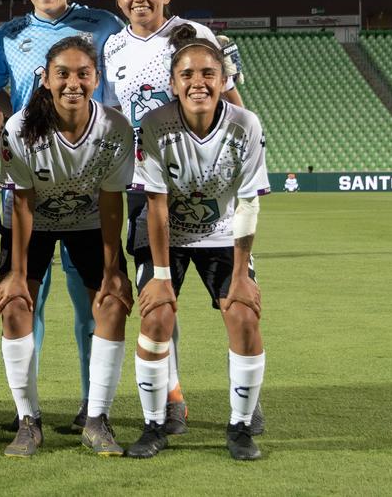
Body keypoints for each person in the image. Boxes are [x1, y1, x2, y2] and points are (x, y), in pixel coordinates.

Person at [0, 0, 125, 430]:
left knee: (93, 300)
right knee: (27, 296)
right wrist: (19, 117)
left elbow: (126, 74)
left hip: (87, 175)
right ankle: (29, 411)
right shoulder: (9, 35)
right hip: (29, 174)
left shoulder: (103, 24)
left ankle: (93, 406)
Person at [101, 0, 247, 434]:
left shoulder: (199, 38)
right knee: (158, 296)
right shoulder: (112, 48)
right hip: (147, 184)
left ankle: (245, 402)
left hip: (206, 186)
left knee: (235, 298)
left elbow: (236, 107)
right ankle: (172, 394)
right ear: (119, 0)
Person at [125, 24, 270, 461]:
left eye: (209, 73)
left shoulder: (246, 125)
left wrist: (242, 275)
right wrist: (161, 277)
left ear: (224, 80)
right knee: (156, 316)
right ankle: (155, 424)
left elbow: (248, 205)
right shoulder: (154, 125)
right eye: (187, 75)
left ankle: (241, 427)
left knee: (244, 316)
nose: (198, 82)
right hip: (169, 236)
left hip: (224, 235)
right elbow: (157, 205)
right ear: (173, 83)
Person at [0, 36, 135, 457]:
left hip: (90, 221)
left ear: (97, 78)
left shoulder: (115, 128)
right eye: (62, 74)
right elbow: (22, 203)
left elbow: (113, 203)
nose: (72, 83)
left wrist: (114, 270)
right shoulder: (19, 128)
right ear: (45, 79)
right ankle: (28, 420)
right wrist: (18, 274)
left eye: (83, 74)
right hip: (33, 223)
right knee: (16, 303)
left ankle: (97, 418)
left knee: (112, 303)